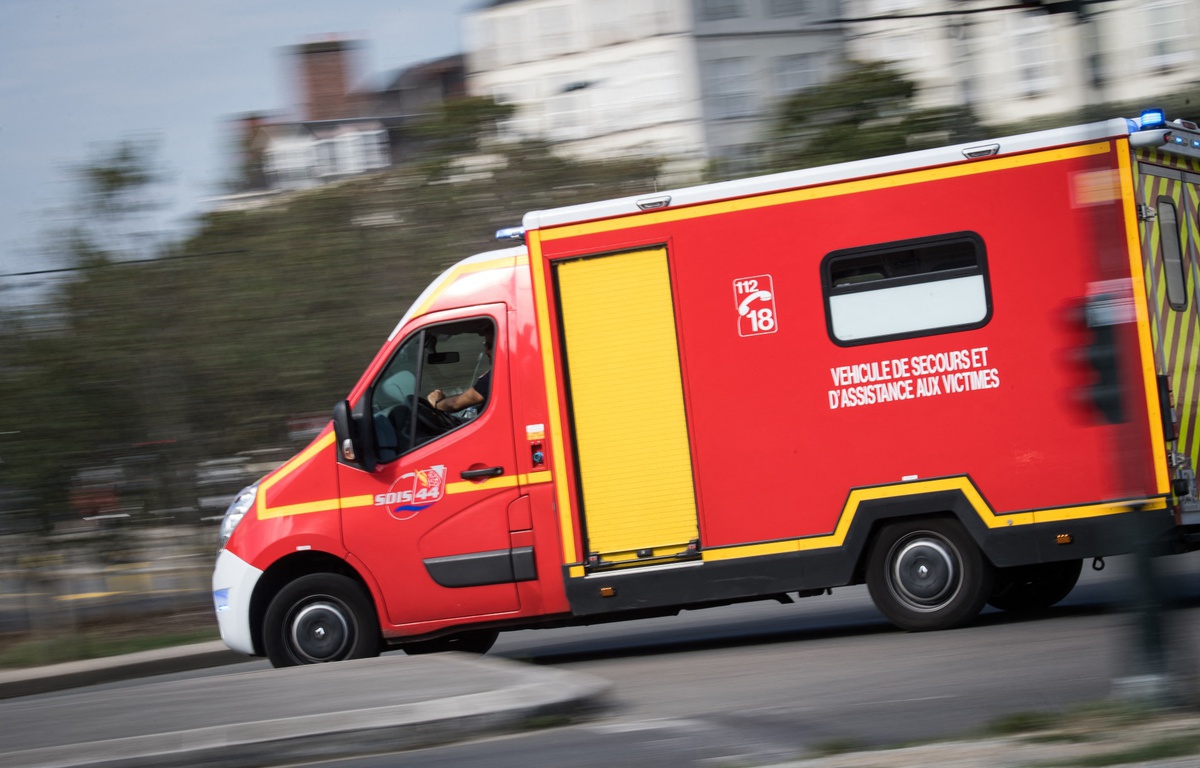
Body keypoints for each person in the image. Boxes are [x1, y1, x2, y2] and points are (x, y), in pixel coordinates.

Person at [426, 335, 492, 414]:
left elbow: (455, 404)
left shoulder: (494, 377)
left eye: (489, 346)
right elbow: (468, 395)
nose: (485, 352)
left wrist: (436, 404)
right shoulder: (495, 374)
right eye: (485, 345)